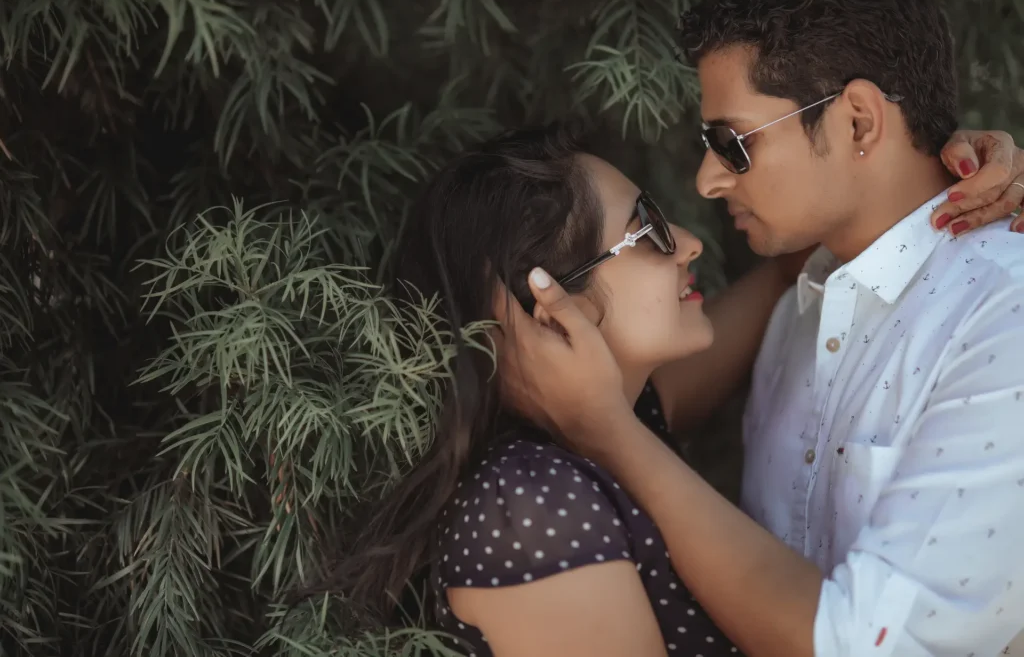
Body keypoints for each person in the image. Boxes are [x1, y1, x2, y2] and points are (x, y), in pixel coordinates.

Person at [302, 108, 1023, 655]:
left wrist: (941, 171)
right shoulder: (527, 507)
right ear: (547, 308)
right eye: (646, 230)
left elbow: (798, 265)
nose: (690, 243)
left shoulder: (619, 423)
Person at [492, 0, 1024, 656]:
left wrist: (613, 434)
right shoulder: (799, 305)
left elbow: (862, 645)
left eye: (734, 142)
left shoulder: (1000, 315)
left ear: (859, 122)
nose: (707, 180)